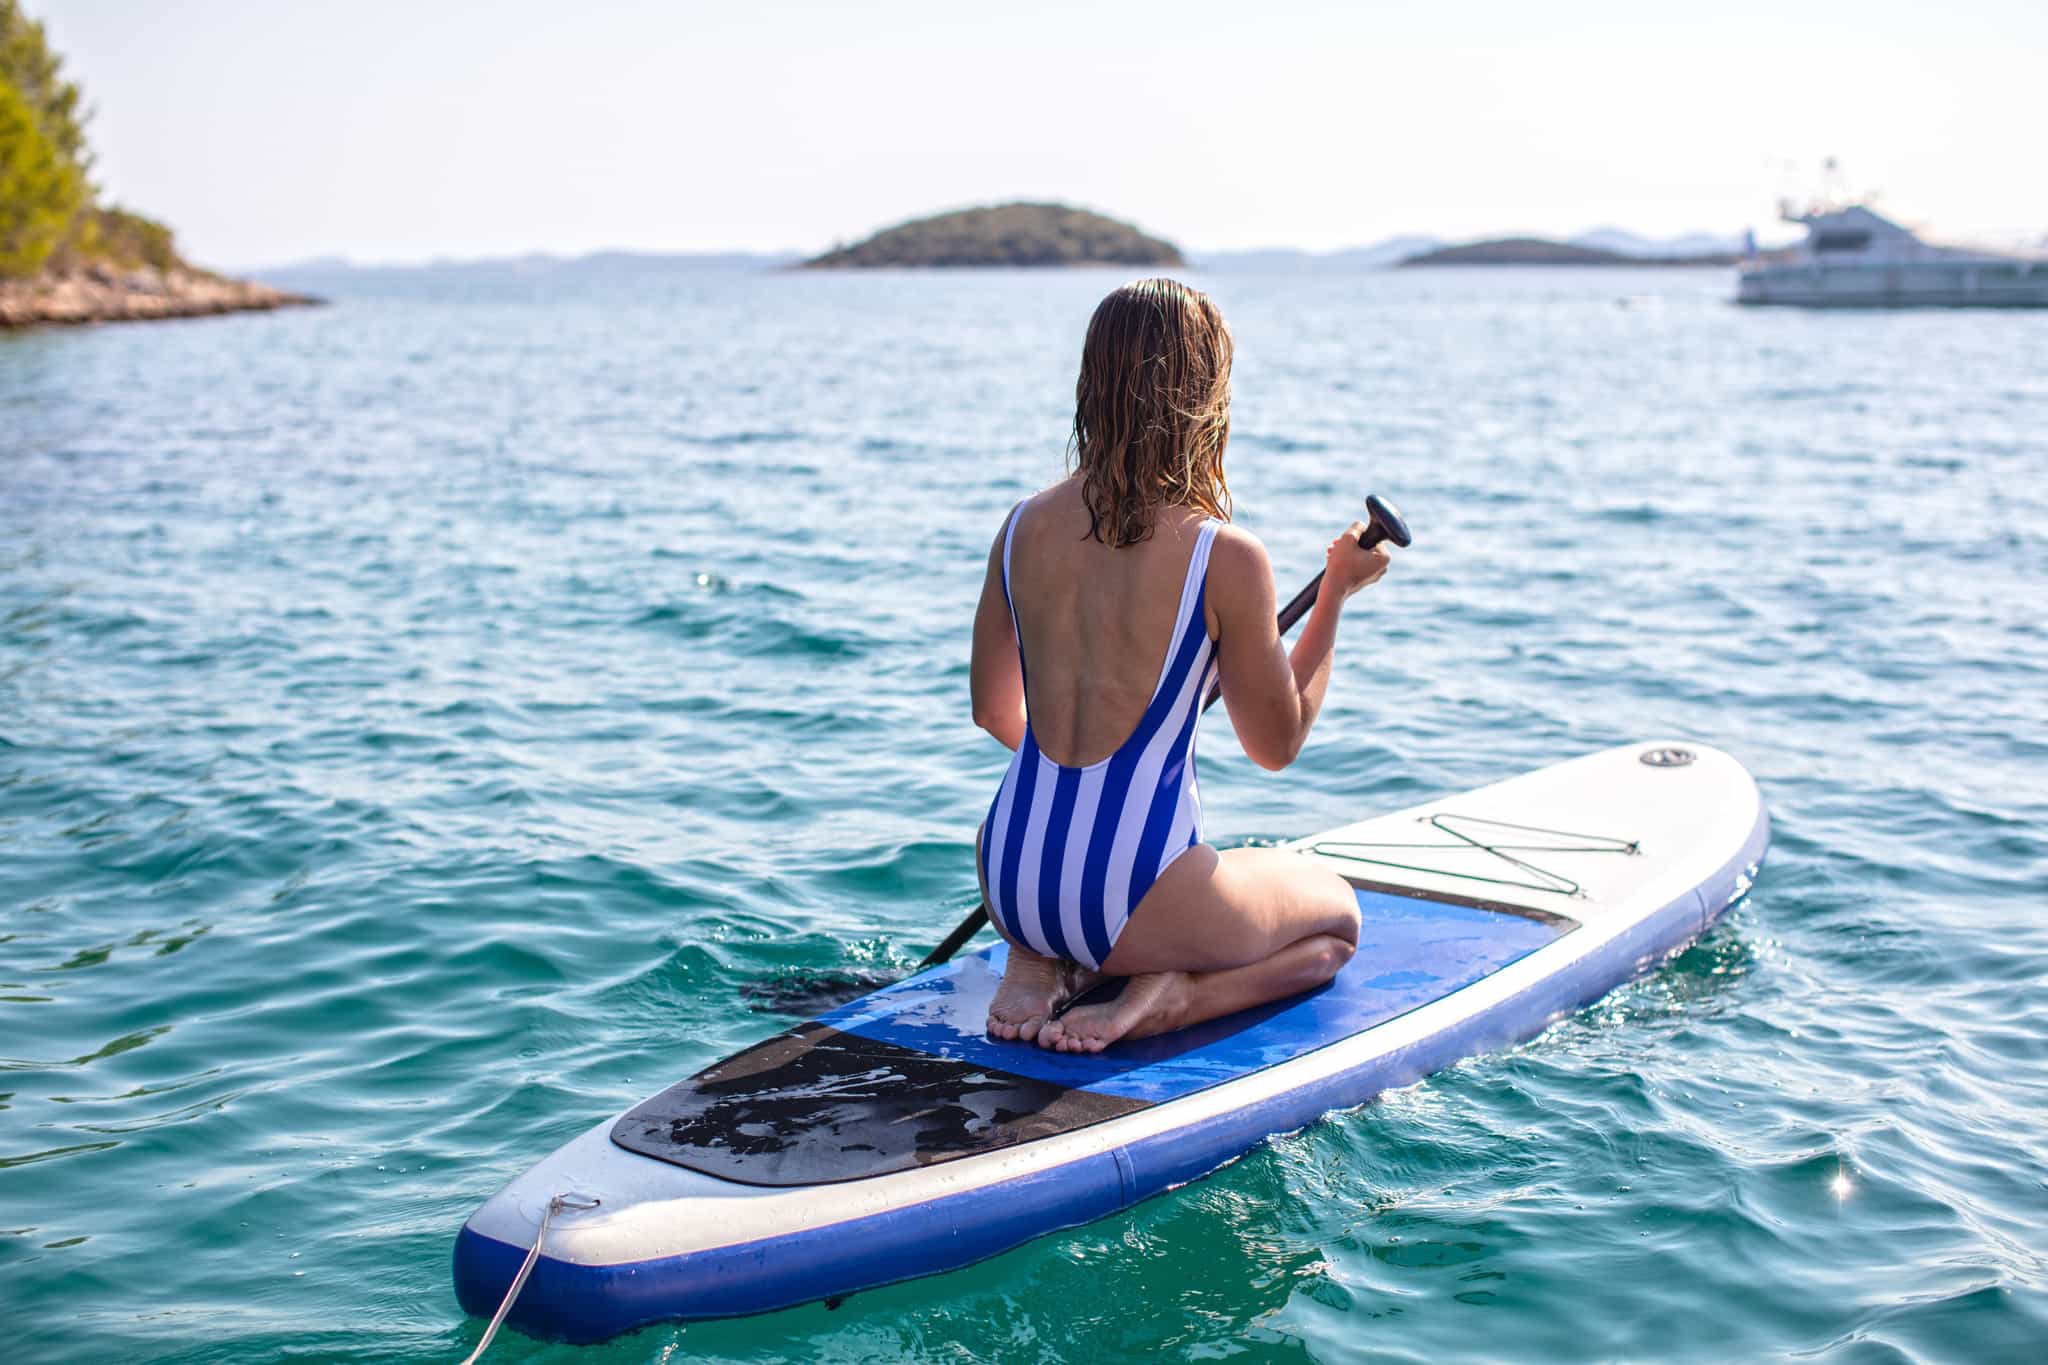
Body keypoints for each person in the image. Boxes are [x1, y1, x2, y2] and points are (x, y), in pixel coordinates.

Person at [970, 278, 1392, 1054]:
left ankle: (1045, 959)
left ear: (1091, 386)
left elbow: (995, 713)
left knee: (1090, 888)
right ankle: (1168, 996)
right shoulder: (1223, 555)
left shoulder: (1021, 524)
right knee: (1336, 922)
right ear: (1205, 398)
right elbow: (1277, 744)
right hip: (1136, 894)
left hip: (1010, 875)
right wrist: (1334, 591)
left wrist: (1081, 789)